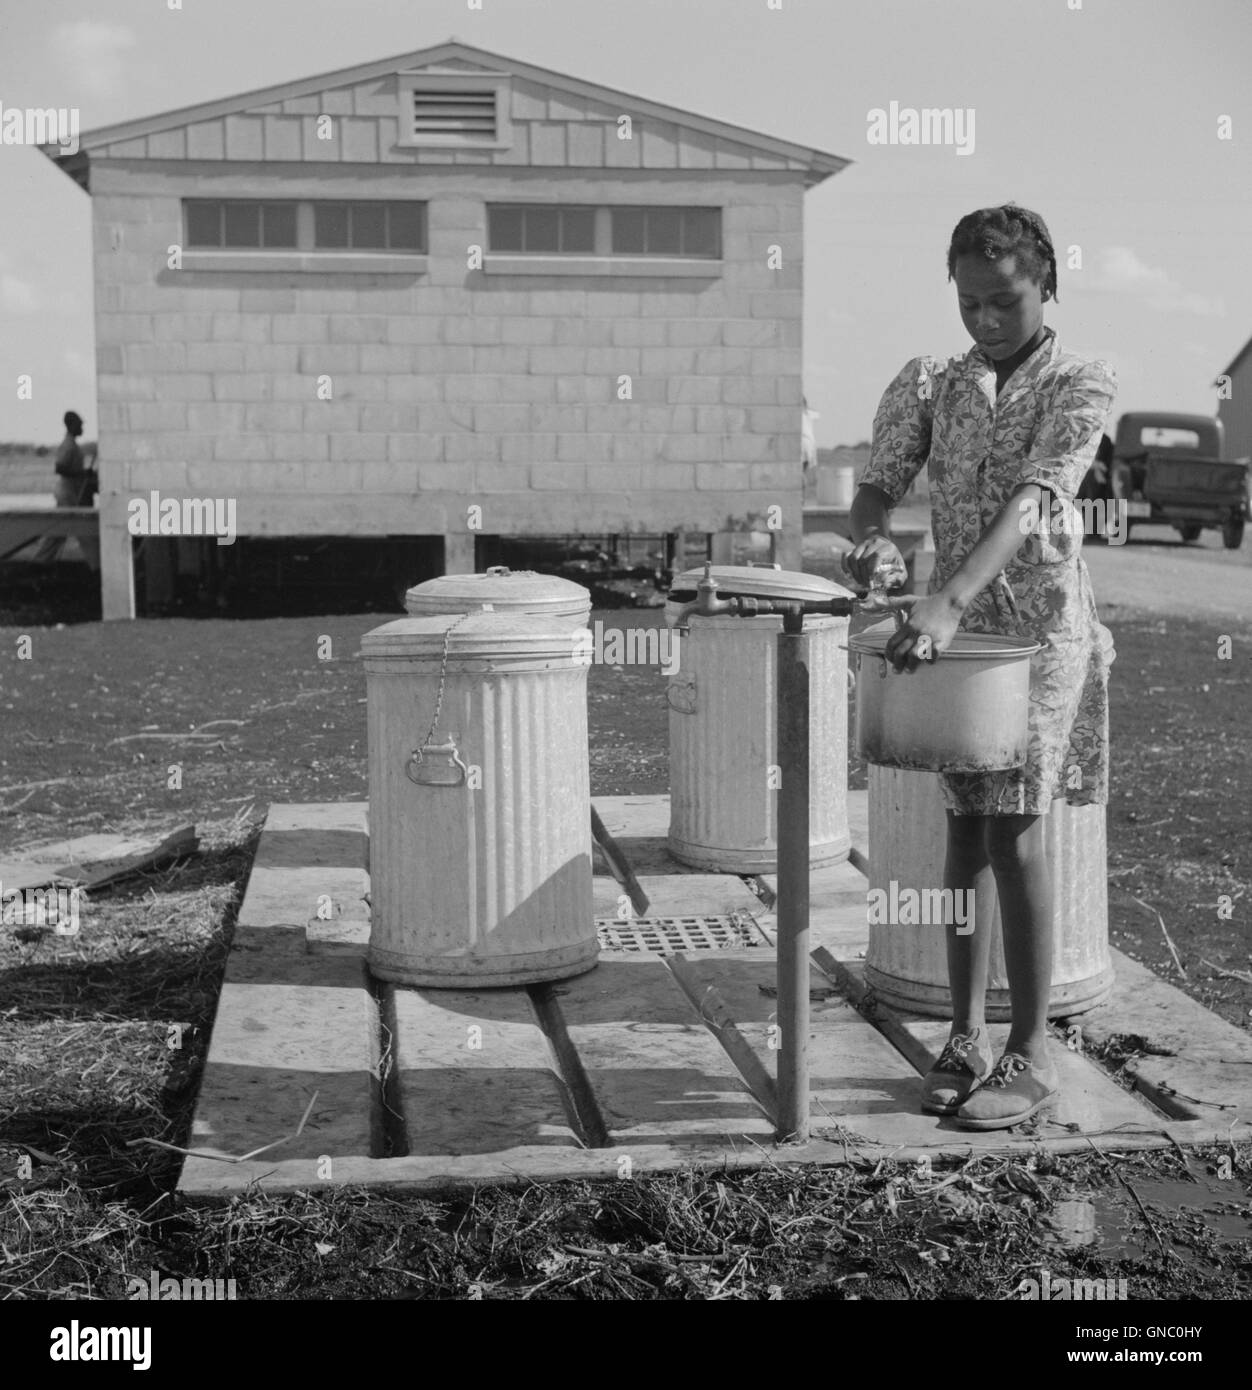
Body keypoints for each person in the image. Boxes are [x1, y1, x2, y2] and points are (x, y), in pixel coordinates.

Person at [846, 204, 1117, 1131]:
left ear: (1048, 285)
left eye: (1005, 301)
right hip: (952, 637)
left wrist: (950, 597)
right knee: (963, 832)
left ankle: (1031, 1048)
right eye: (969, 303)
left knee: (1016, 829)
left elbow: (1041, 499)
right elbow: (879, 478)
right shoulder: (934, 381)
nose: (987, 321)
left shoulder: (1081, 382)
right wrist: (876, 543)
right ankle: (965, 1035)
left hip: (1037, 636)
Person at [29, 410, 98, 566]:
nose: (82, 428)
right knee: (82, 531)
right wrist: (82, 473)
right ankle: (96, 565)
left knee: (60, 532)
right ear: (71, 425)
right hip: (68, 494)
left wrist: (85, 474)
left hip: (71, 493)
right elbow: (59, 468)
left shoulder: (73, 445)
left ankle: (40, 562)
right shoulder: (68, 445)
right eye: (80, 425)